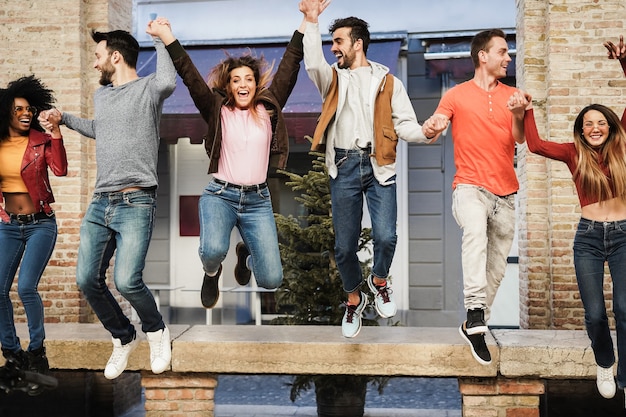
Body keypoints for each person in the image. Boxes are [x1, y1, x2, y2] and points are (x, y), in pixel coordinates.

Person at [40, 20, 176, 380]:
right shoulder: (102, 97)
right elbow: (103, 130)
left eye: (99, 56)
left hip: (136, 202)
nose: (95, 63)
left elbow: (168, 81)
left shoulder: (149, 89)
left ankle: (157, 331)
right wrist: (64, 119)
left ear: (116, 57)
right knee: (86, 279)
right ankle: (123, 337)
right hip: (102, 203)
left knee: (128, 280)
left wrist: (161, 40)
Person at [299, 0, 438, 338]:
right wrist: (312, 22)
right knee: (344, 248)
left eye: (339, 42)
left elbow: (405, 125)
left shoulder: (389, 82)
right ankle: (353, 298)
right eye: (332, 42)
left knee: (386, 236)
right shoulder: (332, 79)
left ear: (357, 43)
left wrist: (425, 132)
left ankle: (379, 281)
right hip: (344, 164)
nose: (334, 49)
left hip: (379, 165)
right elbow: (312, 62)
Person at [150, 14, 306, 309]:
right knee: (211, 251)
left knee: (272, 279)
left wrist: (306, 22)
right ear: (229, 85)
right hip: (220, 195)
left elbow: (289, 65)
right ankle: (212, 272)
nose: (243, 84)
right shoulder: (216, 109)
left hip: (258, 199)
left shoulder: (268, 108)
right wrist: (166, 36)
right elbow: (189, 75)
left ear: (256, 83)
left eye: (248, 79)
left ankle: (244, 253)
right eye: (236, 80)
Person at [508, 35, 626, 401]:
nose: (595, 127)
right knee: (594, 315)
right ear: (581, 128)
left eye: (601, 122)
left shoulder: (622, 145)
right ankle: (605, 362)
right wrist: (526, 110)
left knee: (624, 308)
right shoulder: (573, 154)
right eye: (588, 122)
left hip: (624, 235)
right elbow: (537, 144)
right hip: (588, 238)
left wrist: (624, 62)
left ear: (610, 125)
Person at [422, 29, 526, 365]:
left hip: (506, 193)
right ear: (483, 55)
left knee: (496, 268)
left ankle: (473, 325)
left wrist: (519, 113)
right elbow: (435, 128)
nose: (507, 57)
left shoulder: (514, 95)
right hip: (468, 187)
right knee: (475, 235)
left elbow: (520, 140)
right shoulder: (455, 95)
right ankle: (475, 310)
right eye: (502, 52)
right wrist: (433, 125)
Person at [0, 75, 67, 383]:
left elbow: (60, 169)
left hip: (40, 224)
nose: (25, 114)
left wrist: (55, 134)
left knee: (26, 287)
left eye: (29, 109)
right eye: (18, 110)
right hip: (9, 225)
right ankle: (13, 354)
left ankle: (37, 353)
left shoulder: (40, 141)